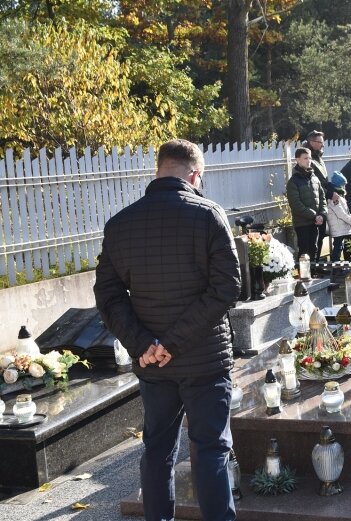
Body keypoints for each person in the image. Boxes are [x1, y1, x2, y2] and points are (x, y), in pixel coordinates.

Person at [93, 139, 241, 521]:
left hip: (152, 362)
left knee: (157, 450)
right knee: (210, 449)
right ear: (195, 174)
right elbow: (226, 287)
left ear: (159, 169)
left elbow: (108, 297)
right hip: (204, 359)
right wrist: (171, 343)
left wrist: (145, 344)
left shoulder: (120, 223)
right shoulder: (208, 214)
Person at [287, 147, 327, 260]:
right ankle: (303, 274)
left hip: (316, 222)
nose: (308, 160)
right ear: (297, 160)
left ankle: (313, 272)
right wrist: (314, 215)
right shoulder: (293, 182)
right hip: (302, 223)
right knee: (304, 250)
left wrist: (322, 215)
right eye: (305, 158)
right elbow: (296, 205)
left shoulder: (315, 178)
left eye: (309, 158)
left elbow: (322, 198)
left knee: (314, 248)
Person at [304, 130, 333, 261]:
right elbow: (315, 184)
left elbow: (323, 180)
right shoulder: (309, 159)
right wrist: (329, 192)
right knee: (313, 238)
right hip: (312, 205)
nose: (323, 145)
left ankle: (317, 264)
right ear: (311, 142)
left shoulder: (319, 157)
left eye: (323, 142)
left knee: (321, 235)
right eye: (320, 142)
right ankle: (311, 266)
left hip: (322, 202)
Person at [325, 172, 351, 262]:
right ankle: (336, 267)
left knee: (341, 246)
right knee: (338, 247)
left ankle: (342, 265)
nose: (344, 187)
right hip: (338, 227)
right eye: (343, 185)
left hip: (341, 227)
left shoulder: (338, 196)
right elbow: (340, 213)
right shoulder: (335, 197)